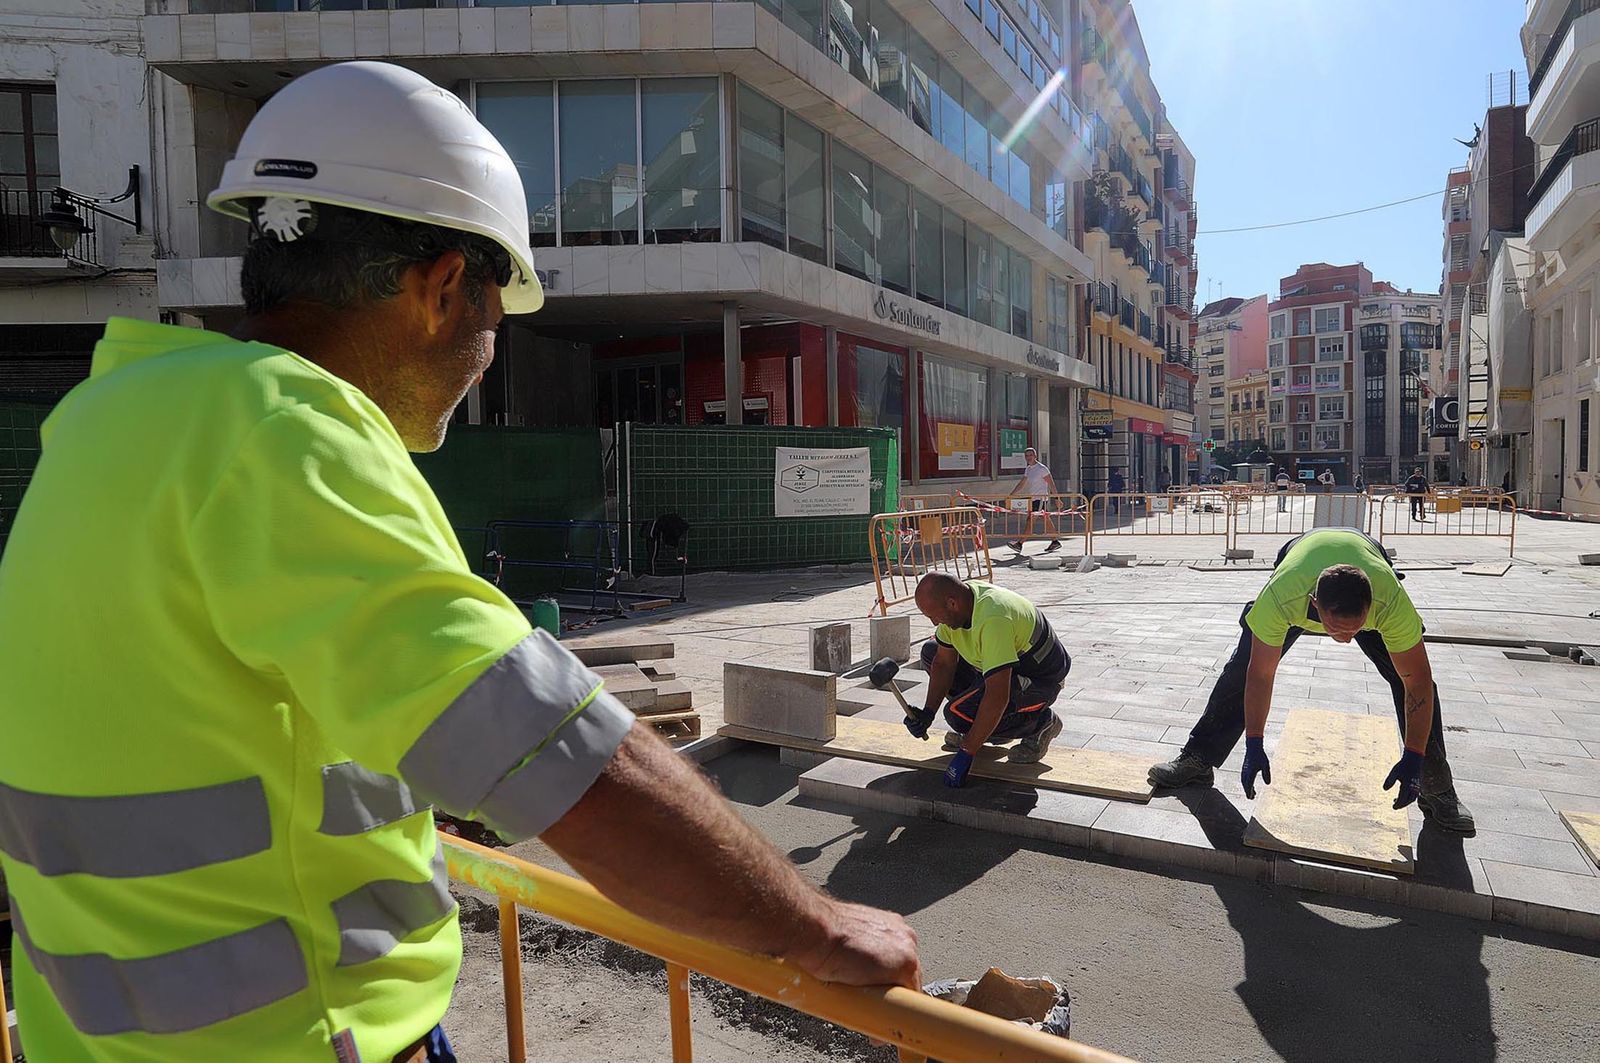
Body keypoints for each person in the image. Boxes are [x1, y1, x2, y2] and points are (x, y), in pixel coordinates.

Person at [0, 63, 919, 1063]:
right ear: (442, 287)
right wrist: (811, 925)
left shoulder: (105, 419)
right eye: (493, 321)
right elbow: (556, 751)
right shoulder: (283, 435)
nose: (486, 357)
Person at [1146, 529, 1475, 833]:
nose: (1346, 639)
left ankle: (1437, 789)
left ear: (1370, 607)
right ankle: (1198, 758)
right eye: (1336, 629)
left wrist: (1414, 756)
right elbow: (1261, 674)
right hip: (1298, 562)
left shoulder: (1390, 603)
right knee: (1241, 669)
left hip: (1367, 557)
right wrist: (1254, 743)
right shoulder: (1281, 598)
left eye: (1355, 629)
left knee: (1409, 680)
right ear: (1315, 605)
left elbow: (1417, 683)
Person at [907, 574, 1071, 787]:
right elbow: (944, 664)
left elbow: (997, 696)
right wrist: (927, 713)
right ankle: (989, 729)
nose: (935, 622)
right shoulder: (962, 602)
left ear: (952, 603)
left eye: (934, 615)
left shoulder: (994, 618)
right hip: (1005, 666)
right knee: (931, 652)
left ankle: (1042, 723)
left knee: (958, 716)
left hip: (1040, 680)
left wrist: (967, 750)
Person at [1004, 446, 1060, 552]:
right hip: (1033, 499)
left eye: (1030, 455)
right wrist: (1011, 494)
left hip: (1040, 499)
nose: (1028, 457)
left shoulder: (1042, 469)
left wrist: (1057, 498)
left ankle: (1020, 543)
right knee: (1046, 520)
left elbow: (1051, 484)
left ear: (1035, 456)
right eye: (1026, 455)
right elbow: (1022, 483)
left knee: (1030, 521)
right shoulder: (1029, 469)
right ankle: (1055, 541)